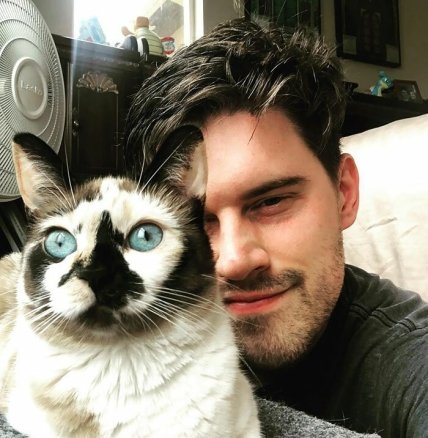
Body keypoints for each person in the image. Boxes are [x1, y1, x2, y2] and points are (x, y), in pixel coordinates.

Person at [124, 19, 428, 438]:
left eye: (271, 202)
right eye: (195, 221)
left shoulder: (409, 360)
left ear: (343, 193)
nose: (233, 261)